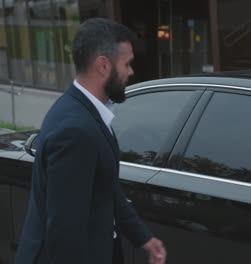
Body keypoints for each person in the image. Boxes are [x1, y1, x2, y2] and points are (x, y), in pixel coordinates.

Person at [15, 18, 167, 264]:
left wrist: (143, 239)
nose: (131, 72)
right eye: (127, 64)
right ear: (103, 66)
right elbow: (66, 231)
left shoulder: (83, 111)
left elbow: (105, 187)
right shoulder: (75, 131)